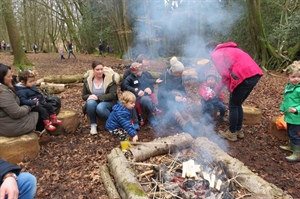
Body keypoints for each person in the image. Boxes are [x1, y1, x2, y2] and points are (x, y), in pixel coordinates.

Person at [206, 41, 263, 142]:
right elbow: (228, 73)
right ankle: (238, 130)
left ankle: (232, 133)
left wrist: (217, 90)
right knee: (237, 104)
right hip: (254, 74)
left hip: (243, 75)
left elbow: (225, 74)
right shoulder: (229, 49)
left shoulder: (216, 54)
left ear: (210, 50)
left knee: (233, 105)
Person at [157, 56, 200, 134]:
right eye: (179, 73)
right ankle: (184, 124)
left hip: (177, 97)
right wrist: (174, 97)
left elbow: (181, 88)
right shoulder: (164, 76)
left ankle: (193, 122)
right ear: (173, 71)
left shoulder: (179, 76)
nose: (181, 74)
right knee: (174, 109)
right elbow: (161, 92)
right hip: (165, 100)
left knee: (183, 109)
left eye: (181, 73)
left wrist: (183, 97)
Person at [0, 64, 42, 137]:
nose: (11, 78)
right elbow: (16, 113)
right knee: (41, 112)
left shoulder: (5, 87)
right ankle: (38, 137)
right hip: (10, 126)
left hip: (7, 121)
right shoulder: (2, 92)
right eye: (9, 76)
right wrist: (30, 105)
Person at [82, 61, 120, 135]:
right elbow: (84, 96)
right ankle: (93, 125)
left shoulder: (110, 78)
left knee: (100, 107)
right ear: (93, 70)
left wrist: (98, 97)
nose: (100, 71)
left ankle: (114, 123)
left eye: (101, 69)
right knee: (90, 103)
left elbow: (112, 95)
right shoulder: (88, 80)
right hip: (94, 101)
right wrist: (89, 96)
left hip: (109, 101)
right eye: (97, 69)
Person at [123, 62, 159, 127]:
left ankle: (151, 117)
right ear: (135, 72)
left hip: (142, 95)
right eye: (140, 71)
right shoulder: (129, 78)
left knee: (147, 100)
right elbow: (125, 86)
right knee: (133, 104)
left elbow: (148, 80)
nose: (141, 72)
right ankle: (136, 121)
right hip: (134, 96)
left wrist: (155, 81)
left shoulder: (142, 76)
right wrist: (134, 90)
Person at [279, 61, 300, 162]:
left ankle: (298, 153)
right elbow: (286, 100)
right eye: (293, 76)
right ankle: (292, 146)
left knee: (294, 134)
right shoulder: (288, 87)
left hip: (297, 117)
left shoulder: (299, 89)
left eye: (298, 77)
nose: (296, 79)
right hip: (289, 116)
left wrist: (297, 109)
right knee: (289, 131)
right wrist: (282, 108)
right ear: (288, 77)